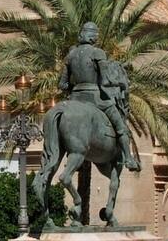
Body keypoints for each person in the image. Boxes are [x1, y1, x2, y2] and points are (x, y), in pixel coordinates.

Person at [59, 22, 141, 171]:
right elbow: (105, 82)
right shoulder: (98, 53)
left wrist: (75, 87)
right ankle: (128, 159)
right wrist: (121, 84)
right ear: (94, 37)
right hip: (96, 99)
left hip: (75, 98)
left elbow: (62, 84)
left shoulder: (70, 55)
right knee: (121, 128)